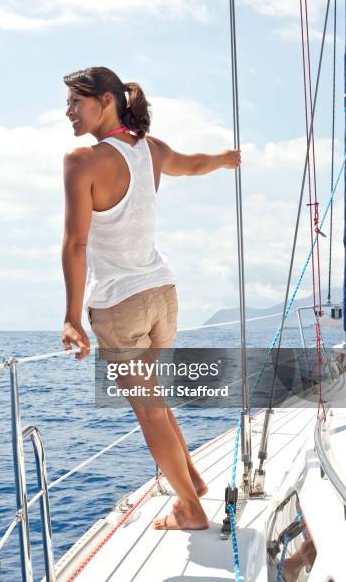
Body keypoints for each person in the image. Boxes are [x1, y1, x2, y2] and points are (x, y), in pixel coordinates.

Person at [61, 66, 241, 531]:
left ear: (105, 101)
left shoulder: (82, 162)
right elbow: (194, 164)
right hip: (163, 296)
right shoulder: (152, 150)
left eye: (75, 103)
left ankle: (190, 509)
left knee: (149, 412)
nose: (68, 113)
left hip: (121, 305)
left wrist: (70, 317)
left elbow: (76, 244)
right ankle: (193, 482)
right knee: (157, 403)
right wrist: (224, 159)